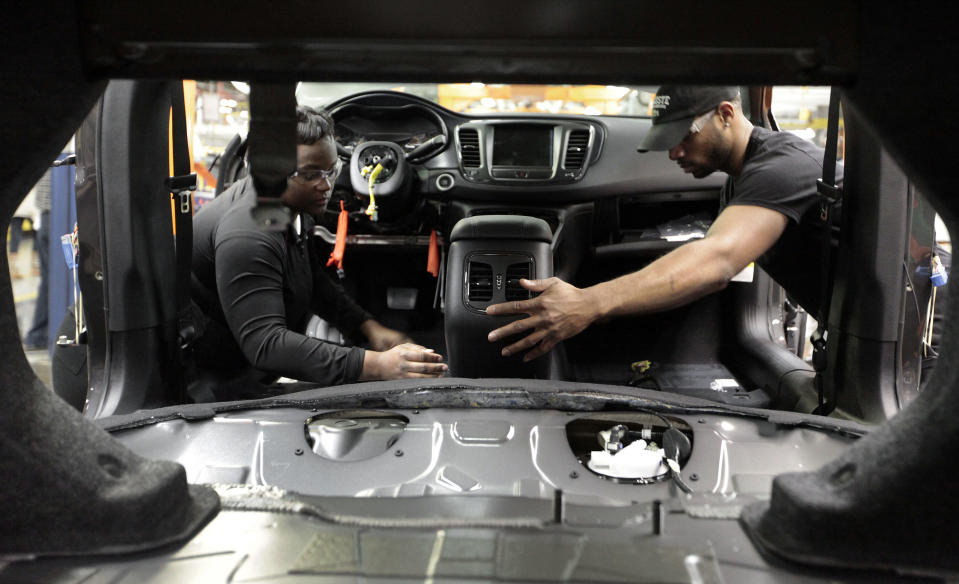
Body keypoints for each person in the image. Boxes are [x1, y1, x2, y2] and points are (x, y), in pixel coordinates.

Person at [487, 86, 842, 362]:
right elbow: (707, 279)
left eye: (684, 136)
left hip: (885, 335)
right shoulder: (739, 181)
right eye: (668, 142)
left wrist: (589, 303)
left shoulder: (780, 166)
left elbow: (715, 263)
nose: (673, 153)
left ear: (726, 114)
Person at [189, 105, 446, 399]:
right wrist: (376, 365)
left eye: (331, 170)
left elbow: (310, 279)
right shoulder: (247, 234)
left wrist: (369, 328)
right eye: (310, 174)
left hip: (246, 364)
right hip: (214, 382)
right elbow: (266, 345)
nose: (325, 185)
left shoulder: (293, 203)